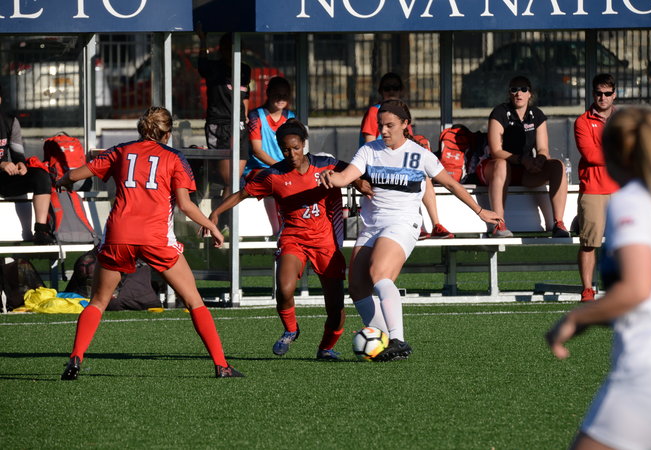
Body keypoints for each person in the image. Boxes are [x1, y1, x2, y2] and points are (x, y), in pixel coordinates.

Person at [57, 107, 243, 380]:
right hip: (155, 238)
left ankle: (75, 358)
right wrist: (212, 225)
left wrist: (62, 180)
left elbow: (75, 175)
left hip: (119, 235)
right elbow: (185, 205)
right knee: (194, 301)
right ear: (168, 133)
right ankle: (221, 365)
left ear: (141, 129)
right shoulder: (174, 158)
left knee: (98, 301)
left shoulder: (120, 151)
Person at [320, 99, 502, 361]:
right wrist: (331, 177)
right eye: (380, 125)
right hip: (372, 225)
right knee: (357, 286)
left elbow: (451, 184)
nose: (383, 130)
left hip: (402, 223)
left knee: (379, 274)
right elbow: (345, 177)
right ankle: (383, 341)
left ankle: (398, 339)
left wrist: (480, 211)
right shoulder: (369, 150)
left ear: (405, 124)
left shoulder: (420, 155)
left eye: (390, 125)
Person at [547, 107, 651, 450]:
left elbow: (637, 289)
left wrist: (576, 318)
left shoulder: (630, 202)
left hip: (650, 370)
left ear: (613, 152)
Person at [205, 119, 350, 360]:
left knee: (335, 306)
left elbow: (356, 171)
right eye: (285, 149)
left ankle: (326, 348)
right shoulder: (274, 175)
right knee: (284, 289)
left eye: (296, 148)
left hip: (325, 242)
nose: (291, 154)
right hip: (293, 239)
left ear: (304, 144)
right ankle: (291, 330)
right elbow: (242, 194)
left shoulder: (326, 165)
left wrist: (363, 183)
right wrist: (216, 213)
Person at [360, 72, 454, 240]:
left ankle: (435, 224)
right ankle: (416, 225)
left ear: (402, 91)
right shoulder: (375, 112)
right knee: (414, 176)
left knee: (422, 175)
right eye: (387, 88)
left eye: (395, 88)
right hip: (379, 165)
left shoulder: (400, 115)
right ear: (381, 91)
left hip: (399, 163)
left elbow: (409, 143)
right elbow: (369, 145)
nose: (391, 91)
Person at [479, 76, 569, 238]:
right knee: (501, 164)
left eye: (523, 89)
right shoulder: (500, 112)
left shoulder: (536, 114)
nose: (518, 93)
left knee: (558, 166)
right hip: (496, 169)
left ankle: (558, 223)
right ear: (509, 93)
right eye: (514, 89)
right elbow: (496, 151)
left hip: (523, 170)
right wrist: (523, 160)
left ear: (530, 93)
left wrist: (540, 160)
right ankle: (499, 224)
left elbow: (543, 149)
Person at [573, 74, 620, 303]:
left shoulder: (623, 120)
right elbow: (590, 155)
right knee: (589, 243)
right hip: (593, 189)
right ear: (593, 95)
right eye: (599, 93)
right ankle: (587, 289)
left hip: (620, 190)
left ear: (614, 94)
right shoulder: (582, 121)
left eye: (607, 93)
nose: (603, 98)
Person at [197, 25, 251, 200]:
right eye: (227, 47)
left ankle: (225, 217)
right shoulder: (214, 68)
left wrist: (245, 115)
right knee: (229, 179)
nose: (231, 51)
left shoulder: (245, 70)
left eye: (235, 47)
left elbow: (245, 95)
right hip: (219, 125)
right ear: (221, 49)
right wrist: (203, 40)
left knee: (234, 181)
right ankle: (204, 173)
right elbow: (201, 65)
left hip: (239, 126)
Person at [0, 85, 55, 245]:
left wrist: (21, 164)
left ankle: (41, 231)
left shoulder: (10, 121)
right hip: (2, 168)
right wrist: (1, 164)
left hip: (4, 179)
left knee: (41, 176)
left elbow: (18, 153)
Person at [243, 76, 296, 235]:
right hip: (258, 169)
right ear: (268, 93)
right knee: (274, 181)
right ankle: (278, 231)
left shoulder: (291, 117)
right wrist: (279, 167)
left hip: (283, 169)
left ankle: (294, 227)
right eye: (277, 94)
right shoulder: (256, 116)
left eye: (284, 95)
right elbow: (257, 150)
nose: (280, 99)